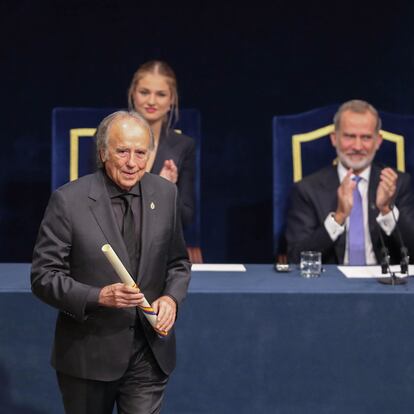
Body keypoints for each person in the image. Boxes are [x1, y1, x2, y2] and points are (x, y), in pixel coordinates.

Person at [31, 110, 191, 414]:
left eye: (140, 152)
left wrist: (171, 298)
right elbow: (43, 277)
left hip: (149, 352)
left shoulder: (166, 194)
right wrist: (99, 296)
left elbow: (178, 262)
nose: (132, 162)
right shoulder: (68, 201)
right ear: (103, 152)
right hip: (88, 357)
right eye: (122, 151)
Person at [286, 99, 414, 265]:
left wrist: (386, 210)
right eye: (349, 136)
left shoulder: (398, 184)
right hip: (331, 285)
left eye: (366, 137)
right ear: (334, 138)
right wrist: (338, 217)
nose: (357, 146)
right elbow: (296, 258)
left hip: (384, 284)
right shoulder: (307, 189)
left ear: (378, 141)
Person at [127, 60, 195, 228]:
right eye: (144, 92)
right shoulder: (107, 138)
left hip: (161, 245)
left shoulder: (184, 146)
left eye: (161, 94)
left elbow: (185, 219)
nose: (151, 101)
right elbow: (99, 206)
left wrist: (166, 191)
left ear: (172, 99)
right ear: (133, 93)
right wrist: (155, 189)